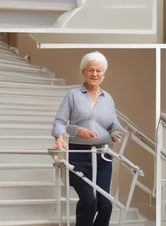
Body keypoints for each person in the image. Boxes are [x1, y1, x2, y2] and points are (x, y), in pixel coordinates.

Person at [51, 51, 124, 226]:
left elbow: (115, 124)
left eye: (99, 71)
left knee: (105, 204)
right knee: (89, 201)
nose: (95, 74)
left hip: (103, 157)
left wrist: (115, 134)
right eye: (91, 70)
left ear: (103, 75)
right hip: (79, 156)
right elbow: (60, 122)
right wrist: (61, 137)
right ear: (83, 71)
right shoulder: (73, 95)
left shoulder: (108, 98)